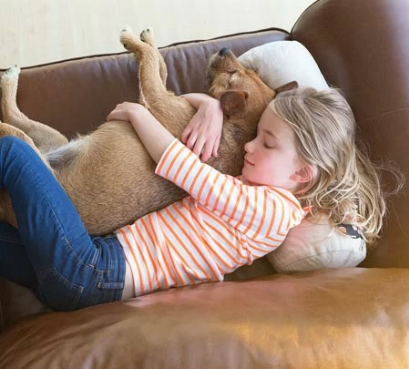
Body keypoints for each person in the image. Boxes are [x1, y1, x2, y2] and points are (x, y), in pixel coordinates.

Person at [0, 87, 386, 311]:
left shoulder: (272, 212)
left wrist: (138, 114)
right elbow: (186, 108)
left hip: (92, 273)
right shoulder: (259, 193)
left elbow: (185, 170)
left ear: (301, 174)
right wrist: (212, 107)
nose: (249, 145)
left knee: (14, 154)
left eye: (267, 142)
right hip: (87, 268)